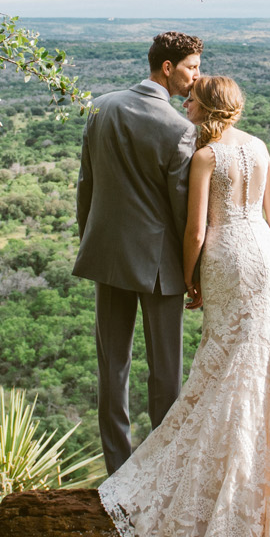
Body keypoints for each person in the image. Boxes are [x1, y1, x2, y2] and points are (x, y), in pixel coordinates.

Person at [97, 75, 270, 537]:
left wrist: (193, 279)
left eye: (193, 99)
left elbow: (196, 229)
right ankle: (266, 460)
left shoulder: (207, 156)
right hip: (264, 259)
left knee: (223, 360)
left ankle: (220, 469)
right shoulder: (260, 148)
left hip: (224, 255)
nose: (186, 103)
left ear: (209, 108)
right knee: (265, 358)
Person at [73, 31, 202, 475]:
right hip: (159, 264)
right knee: (166, 372)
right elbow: (184, 213)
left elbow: (85, 186)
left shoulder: (101, 107)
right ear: (167, 68)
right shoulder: (180, 129)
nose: (195, 77)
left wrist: (91, 238)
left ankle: (118, 471)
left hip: (106, 254)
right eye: (192, 68)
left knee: (113, 367)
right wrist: (193, 272)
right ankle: (162, 470)